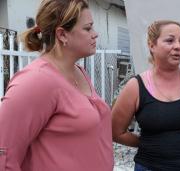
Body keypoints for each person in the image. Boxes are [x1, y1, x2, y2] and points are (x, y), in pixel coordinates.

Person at [0, 0, 113, 170]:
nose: (95, 34)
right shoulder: (35, 82)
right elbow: (4, 154)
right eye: (88, 28)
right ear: (62, 35)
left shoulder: (78, 71)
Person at [111, 20, 180, 171]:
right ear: (152, 45)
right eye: (170, 40)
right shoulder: (135, 87)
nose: (178, 46)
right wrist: (149, 142)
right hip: (150, 166)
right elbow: (116, 132)